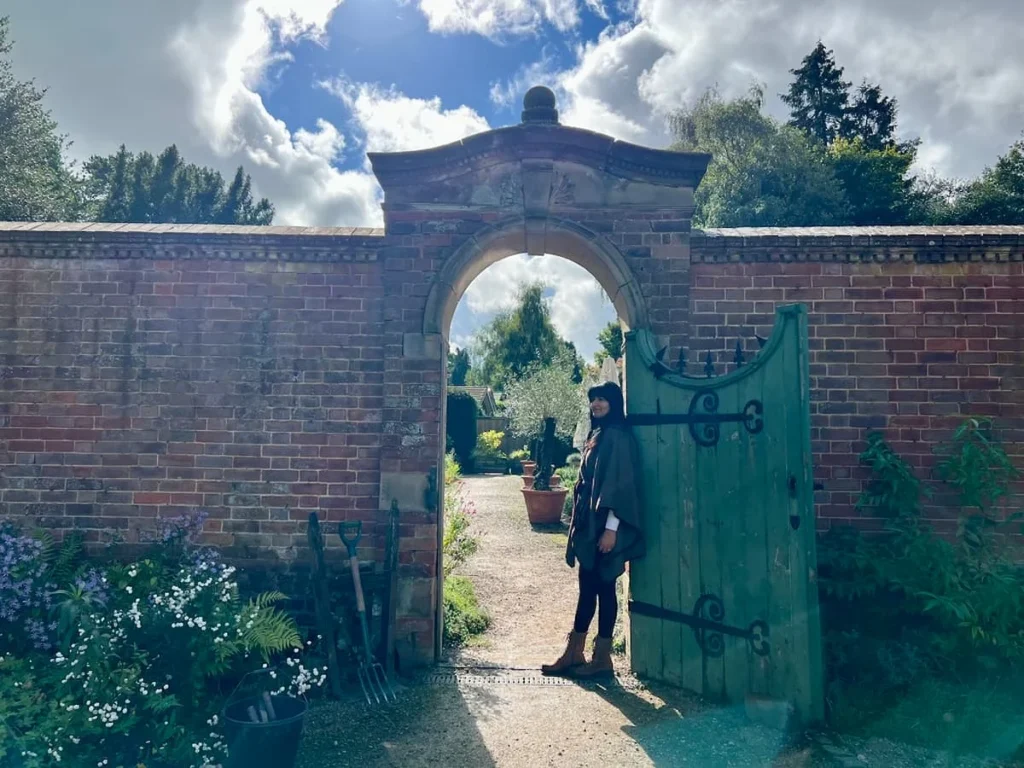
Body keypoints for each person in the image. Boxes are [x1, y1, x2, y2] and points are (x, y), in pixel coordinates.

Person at [541, 381, 645, 679]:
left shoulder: (618, 437)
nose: (596, 404)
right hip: (590, 526)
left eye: (601, 399)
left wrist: (611, 529)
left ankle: (601, 658)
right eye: (592, 400)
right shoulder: (598, 434)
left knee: (603, 587)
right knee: (588, 587)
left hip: (605, 527)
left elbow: (620, 485)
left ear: (613, 402)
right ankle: (575, 653)